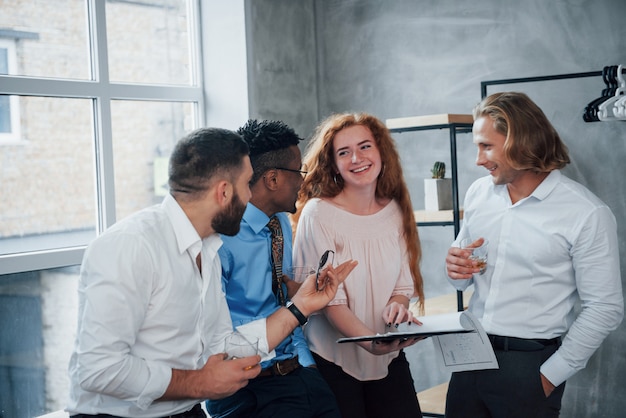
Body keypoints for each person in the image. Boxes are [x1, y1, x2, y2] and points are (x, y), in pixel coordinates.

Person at [66, 127, 357, 418]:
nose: (249, 196)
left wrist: (302, 305)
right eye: (246, 184)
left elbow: (224, 345)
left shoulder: (207, 248)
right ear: (224, 191)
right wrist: (200, 382)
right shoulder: (130, 245)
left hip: (187, 412)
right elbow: (98, 369)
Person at [444, 92, 624, 417]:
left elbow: (605, 307)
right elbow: (462, 276)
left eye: (487, 146)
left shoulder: (586, 213)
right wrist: (458, 269)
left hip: (529, 369)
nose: (478, 159)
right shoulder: (478, 193)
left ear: (521, 142)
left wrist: (548, 376)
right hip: (469, 359)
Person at [292, 112, 425, 418]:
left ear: (380, 151)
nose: (357, 158)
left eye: (365, 147)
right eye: (344, 152)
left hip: (387, 357)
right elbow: (329, 301)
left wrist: (397, 307)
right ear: (333, 164)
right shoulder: (318, 214)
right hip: (332, 362)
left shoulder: (394, 210)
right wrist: (372, 343)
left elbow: (402, 288)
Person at [205, 119, 342, 418]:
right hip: (249, 389)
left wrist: (306, 367)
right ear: (273, 179)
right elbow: (213, 335)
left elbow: (280, 298)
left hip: (299, 375)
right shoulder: (218, 239)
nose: (303, 181)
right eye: (299, 171)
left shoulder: (279, 222)